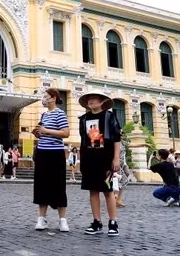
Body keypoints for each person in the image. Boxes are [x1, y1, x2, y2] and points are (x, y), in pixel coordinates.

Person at [78, 90, 122, 236]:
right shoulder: (83, 119)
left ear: (102, 101)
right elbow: (83, 141)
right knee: (93, 191)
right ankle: (97, 221)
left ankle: (113, 222)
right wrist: (81, 160)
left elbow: (117, 139)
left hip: (106, 159)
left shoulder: (110, 116)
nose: (91, 101)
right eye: (89, 99)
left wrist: (116, 159)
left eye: (94, 98)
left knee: (108, 191)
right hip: (89, 159)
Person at [33, 88, 70, 232]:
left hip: (56, 154)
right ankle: (41, 219)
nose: (44, 99)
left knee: (59, 186)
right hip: (42, 152)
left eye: (46, 96)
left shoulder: (60, 113)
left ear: (53, 98)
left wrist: (46, 131)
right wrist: (38, 133)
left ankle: (63, 220)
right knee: (41, 186)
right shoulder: (43, 115)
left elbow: (65, 133)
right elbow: (42, 132)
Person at [114, 136, 132, 207]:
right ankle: (116, 198)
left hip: (122, 164)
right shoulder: (113, 143)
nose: (121, 136)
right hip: (116, 164)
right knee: (119, 180)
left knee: (123, 180)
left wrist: (143, 145)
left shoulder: (123, 142)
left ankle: (117, 197)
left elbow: (132, 145)